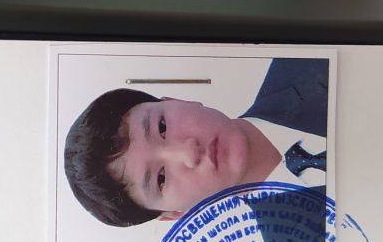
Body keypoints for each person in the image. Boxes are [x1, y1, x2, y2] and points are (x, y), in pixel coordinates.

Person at [64, 58, 328, 228]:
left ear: (175, 101)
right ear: (174, 213)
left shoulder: (305, 61)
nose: (189, 152)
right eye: (161, 179)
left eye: (162, 127)